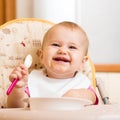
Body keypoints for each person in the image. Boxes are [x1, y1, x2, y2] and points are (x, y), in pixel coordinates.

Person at [7, 21, 98, 108]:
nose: (62, 51)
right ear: (42, 56)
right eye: (56, 45)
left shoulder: (81, 83)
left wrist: (78, 95)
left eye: (72, 47)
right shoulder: (32, 80)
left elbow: (93, 98)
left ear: (82, 62)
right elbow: (16, 108)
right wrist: (18, 89)